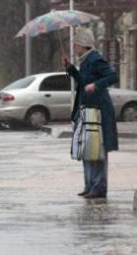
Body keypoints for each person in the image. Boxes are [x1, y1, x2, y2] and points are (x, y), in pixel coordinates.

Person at [63, 27, 118, 199]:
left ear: (84, 45)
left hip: (99, 111)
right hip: (87, 111)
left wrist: (96, 85)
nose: (74, 47)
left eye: (76, 44)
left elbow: (112, 76)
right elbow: (82, 81)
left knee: (97, 149)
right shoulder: (85, 61)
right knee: (87, 148)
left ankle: (99, 187)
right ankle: (89, 185)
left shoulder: (95, 59)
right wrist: (71, 68)